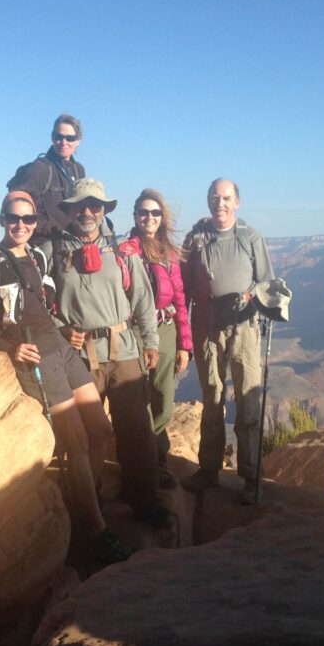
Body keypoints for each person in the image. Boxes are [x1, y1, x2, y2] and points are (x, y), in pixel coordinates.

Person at [0, 190, 130, 564]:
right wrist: (8, 348)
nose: (20, 225)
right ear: (2, 219)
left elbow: (45, 304)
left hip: (61, 347)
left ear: (35, 222)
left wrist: (66, 329)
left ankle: (90, 496)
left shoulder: (35, 257)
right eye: (13, 218)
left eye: (27, 219)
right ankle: (96, 530)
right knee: (76, 440)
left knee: (100, 431)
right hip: (36, 355)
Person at [45, 177, 174, 528]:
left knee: (135, 430)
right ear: (70, 210)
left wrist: (150, 343)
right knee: (87, 436)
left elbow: (143, 301)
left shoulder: (121, 252)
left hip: (124, 351)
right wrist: (60, 328)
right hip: (80, 356)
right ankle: (90, 502)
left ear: (103, 211)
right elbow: (39, 300)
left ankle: (144, 501)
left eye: (95, 206)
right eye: (80, 206)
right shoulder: (53, 252)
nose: (87, 212)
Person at [180, 178, 275, 505]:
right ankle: (209, 469)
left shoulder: (250, 238)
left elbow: (267, 280)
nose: (219, 203)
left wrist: (252, 295)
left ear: (237, 202)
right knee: (212, 397)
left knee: (248, 400)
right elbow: (182, 284)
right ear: (208, 201)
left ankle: (250, 476)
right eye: (214, 197)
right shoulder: (196, 239)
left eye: (226, 198)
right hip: (207, 326)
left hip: (244, 327)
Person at [119, 189, 192, 489]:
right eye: (143, 212)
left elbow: (180, 298)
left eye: (154, 213)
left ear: (162, 217)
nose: (149, 218)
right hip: (135, 330)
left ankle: (157, 460)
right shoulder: (126, 250)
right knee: (139, 399)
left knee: (164, 397)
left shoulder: (169, 253)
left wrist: (185, 344)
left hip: (166, 329)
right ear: (135, 215)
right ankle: (141, 466)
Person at [8, 113, 87, 240]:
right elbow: (18, 207)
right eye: (58, 137)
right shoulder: (40, 169)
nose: (63, 142)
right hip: (45, 244)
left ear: (78, 140)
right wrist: (50, 228)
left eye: (70, 138)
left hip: (72, 241)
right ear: (52, 137)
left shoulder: (78, 170)